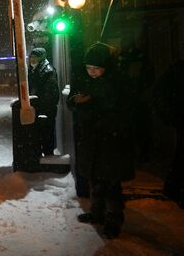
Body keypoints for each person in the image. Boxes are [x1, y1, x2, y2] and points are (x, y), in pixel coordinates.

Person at [68, 42, 134, 239]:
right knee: (96, 179)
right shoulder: (87, 81)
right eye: (89, 68)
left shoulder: (119, 82)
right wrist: (75, 102)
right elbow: (73, 100)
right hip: (93, 140)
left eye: (96, 68)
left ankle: (114, 220)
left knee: (112, 184)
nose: (92, 72)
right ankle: (97, 213)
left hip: (112, 141)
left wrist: (95, 109)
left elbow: (124, 111)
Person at [117, 34, 155, 162]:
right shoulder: (128, 58)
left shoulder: (128, 58)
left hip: (135, 100)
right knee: (136, 129)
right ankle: (139, 155)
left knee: (139, 129)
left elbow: (147, 79)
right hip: (131, 100)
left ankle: (141, 155)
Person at [152, 59, 184, 208]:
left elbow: (159, 92)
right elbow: (160, 93)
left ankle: (176, 189)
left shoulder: (177, 69)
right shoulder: (178, 70)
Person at [28, 47, 60, 156]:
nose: (32, 60)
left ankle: (48, 156)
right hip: (39, 108)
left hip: (45, 109)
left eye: (35, 57)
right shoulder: (34, 70)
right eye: (31, 57)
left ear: (41, 58)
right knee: (40, 134)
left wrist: (42, 108)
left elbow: (50, 93)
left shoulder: (48, 71)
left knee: (47, 134)